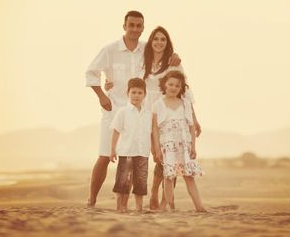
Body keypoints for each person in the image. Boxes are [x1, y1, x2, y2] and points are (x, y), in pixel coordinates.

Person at [85, 11, 180, 207]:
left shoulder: (147, 49)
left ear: (143, 28)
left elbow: (165, 55)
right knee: (104, 155)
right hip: (114, 110)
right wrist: (102, 95)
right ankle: (91, 200)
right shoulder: (110, 50)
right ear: (124, 26)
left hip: (141, 113)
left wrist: (175, 56)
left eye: (139, 26)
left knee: (146, 157)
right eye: (131, 25)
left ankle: (155, 198)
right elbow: (91, 72)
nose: (135, 29)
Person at [105, 26, 202, 209]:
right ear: (150, 42)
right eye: (156, 39)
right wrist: (109, 84)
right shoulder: (142, 60)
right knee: (149, 155)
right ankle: (134, 198)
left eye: (163, 39)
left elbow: (185, 92)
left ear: (168, 43)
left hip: (168, 111)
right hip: (146, 111)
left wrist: (194, 119)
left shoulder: (174, 63)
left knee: (168, 157)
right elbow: (130, 79)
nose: (159, 42)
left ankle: (158, 194)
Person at [152, 70, 206, 212]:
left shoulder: (185, 104)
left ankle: (199, 207)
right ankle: (170, 207)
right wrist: (157, 149)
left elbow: (191, 126)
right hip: (168, 146)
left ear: (181, 88)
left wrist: (193, 146)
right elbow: (155, 129)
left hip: (184, 146)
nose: (173, 88)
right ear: (164, 85)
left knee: (189, 177)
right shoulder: (158, 104)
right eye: (170, 84)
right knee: (169, 177)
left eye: (177, 85)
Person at [109, 78, 152, 212]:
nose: (136, 95)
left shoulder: (148, 114)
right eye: (133, 92)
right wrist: (112, 150)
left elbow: (150, 134)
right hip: (126, 152)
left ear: (145, 95)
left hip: (143, 153)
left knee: (141, 182)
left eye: (140, 93)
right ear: (127, 93)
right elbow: (116, 131)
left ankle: (139, 208)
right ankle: (121, 207)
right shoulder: (123, 112)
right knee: (123, 181)